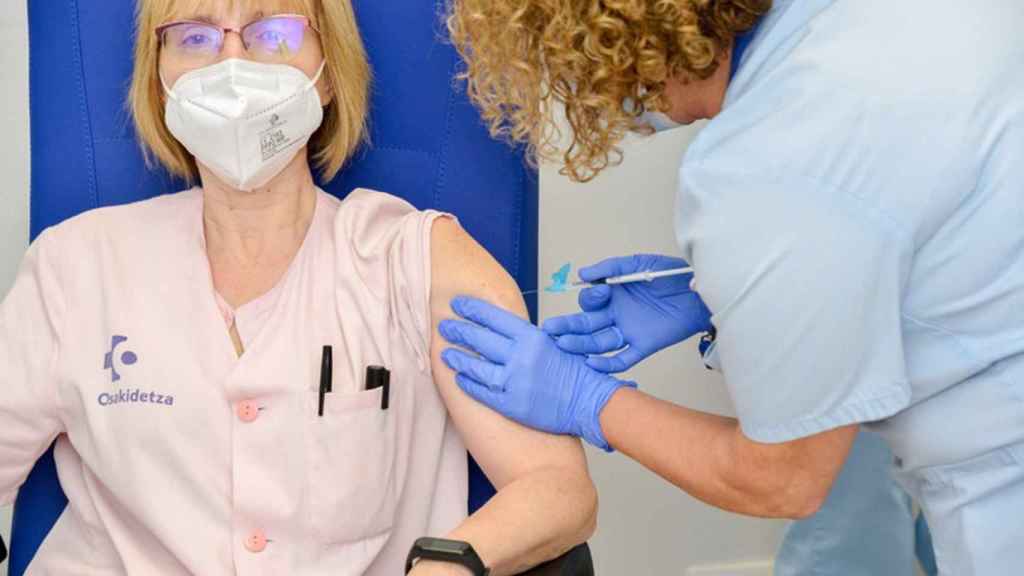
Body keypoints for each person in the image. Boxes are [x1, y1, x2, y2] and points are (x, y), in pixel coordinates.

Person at [0, 1, 598, 574]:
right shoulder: (74, 266)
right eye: (194, 37)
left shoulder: (418, 261)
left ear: (328, 74)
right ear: (160, 82)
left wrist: (449, 565)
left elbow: (557, 489)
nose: (232, 65)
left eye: (274, 33)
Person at [439, 0, 1024, 574]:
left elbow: (784, 480)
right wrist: (727, 295)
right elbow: (913, 208)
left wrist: (586, 399)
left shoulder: (767, 161)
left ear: (615, 44)